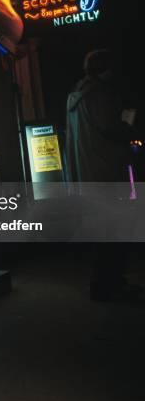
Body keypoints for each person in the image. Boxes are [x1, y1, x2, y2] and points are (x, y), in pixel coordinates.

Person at [65, 49, 138, 302]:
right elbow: (112, 128)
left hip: (88, 174)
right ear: (105, 70)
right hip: (106, 171)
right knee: (116, 232)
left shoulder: (75, 97)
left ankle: (105, 284)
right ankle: (109, 285)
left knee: (104, 233)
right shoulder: (99, 94)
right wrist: (129, 122)